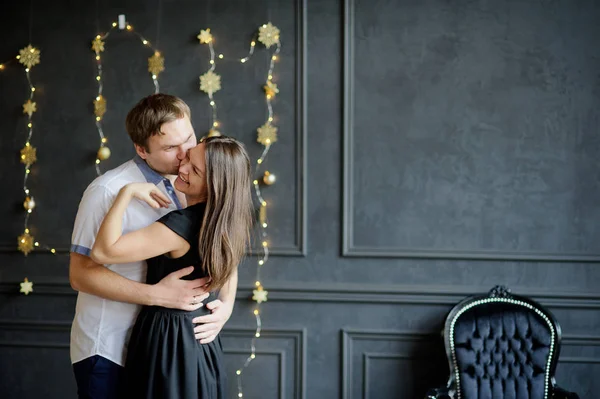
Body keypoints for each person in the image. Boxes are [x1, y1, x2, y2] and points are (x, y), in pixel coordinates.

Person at [69, 94, 229, 398]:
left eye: (189, 139)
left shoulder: (193, 182)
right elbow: (80, 274)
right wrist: (157, 296)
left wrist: (226, 307)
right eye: (170, 148)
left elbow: (225, 245)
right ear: (141, 150)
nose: (184, 155)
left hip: (162, 347)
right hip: (109, 348)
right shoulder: (106, 191)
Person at [90, 136, 253, 398]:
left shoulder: (181, 226)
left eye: (194, 169)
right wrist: (227, 304)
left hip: (170, 340)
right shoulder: (226, 221)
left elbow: (101, 251)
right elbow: (231, 265)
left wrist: (126, 194)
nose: (182, 166)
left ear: (213, 186)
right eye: (188, 157)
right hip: (200, 340)